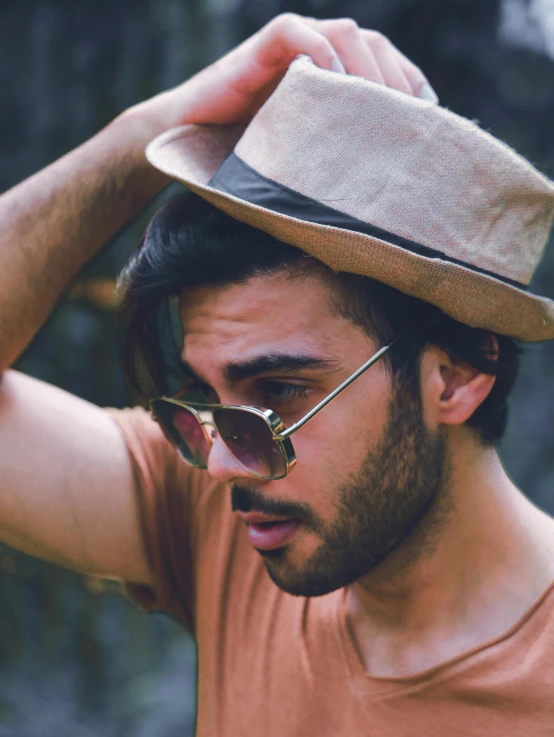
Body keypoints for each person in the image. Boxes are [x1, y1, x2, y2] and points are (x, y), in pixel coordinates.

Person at [1, 13, 553, 736]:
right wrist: (163, 128)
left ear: (455, 375)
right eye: (204, 402)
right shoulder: (231, 517)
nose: (223, 462)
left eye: (281, 392)